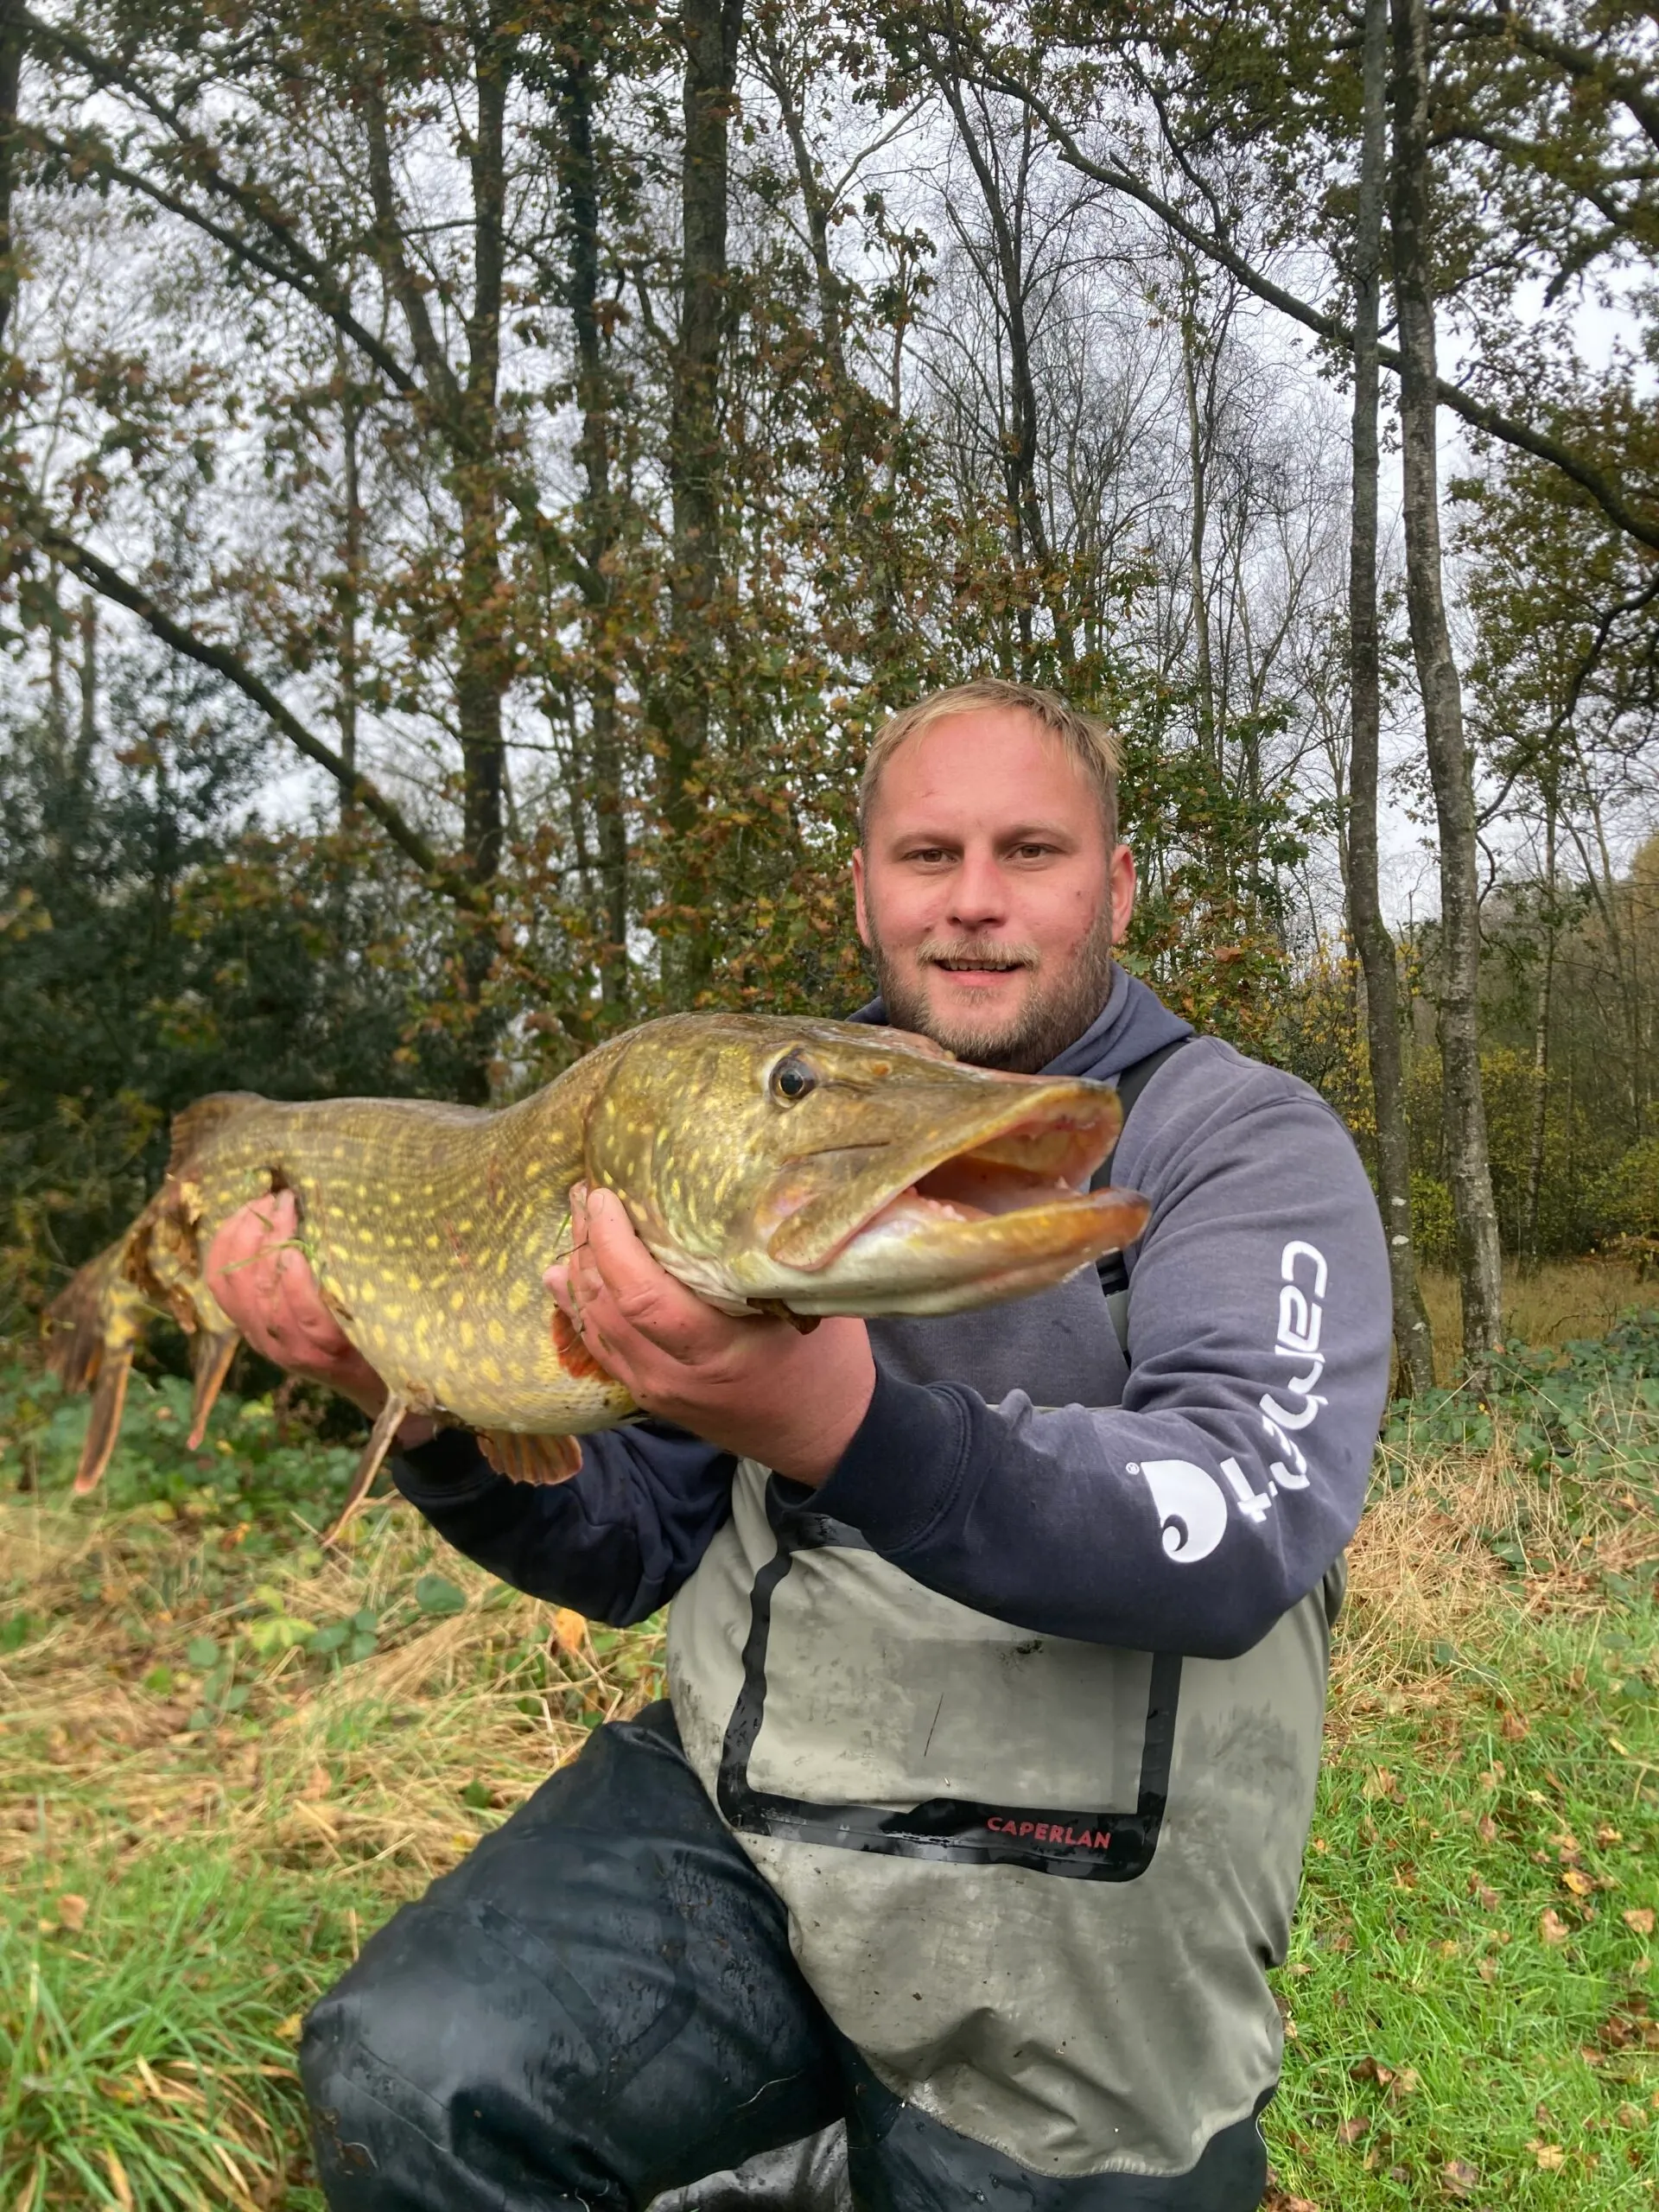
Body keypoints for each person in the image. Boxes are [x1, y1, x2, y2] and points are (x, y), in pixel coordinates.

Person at [207, 681, 1391, 2212]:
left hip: (1081, 1900)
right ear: (862, 886)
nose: (972, 903)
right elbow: (633, 1544)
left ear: (1116, 883)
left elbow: (1244, 1518)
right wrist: (432, 1419)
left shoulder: (1241, 1142)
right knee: (412, 2075)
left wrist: (838, 1426)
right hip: (762, 1822)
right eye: (925, 856)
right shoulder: (753, 1132)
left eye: (1030, 852)